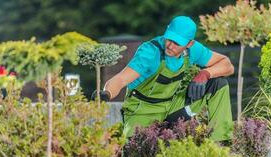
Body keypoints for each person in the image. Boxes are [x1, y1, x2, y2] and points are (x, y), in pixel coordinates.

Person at [92, 16, 234, 141]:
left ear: (189, 43)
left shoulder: (193, 49)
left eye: (177, 43)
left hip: (172, 106)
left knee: (218, 84)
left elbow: (227, 65)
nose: (170, 46)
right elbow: (121, 79)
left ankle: (221, 142)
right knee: (136, 151)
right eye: (169, 39)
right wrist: (106, 93)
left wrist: (205, 73)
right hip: (142, 110)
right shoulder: (150, 52)